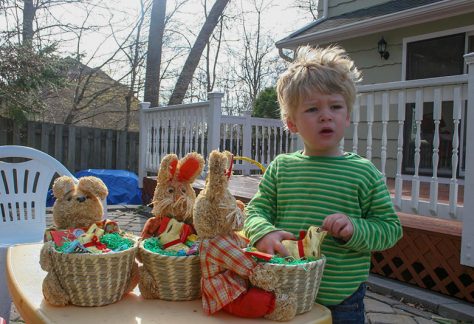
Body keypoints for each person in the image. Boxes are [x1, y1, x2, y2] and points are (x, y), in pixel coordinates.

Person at [243, 45, 403, 324]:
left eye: (335, 106)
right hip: (284, 290)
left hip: (341, 299)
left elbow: (390, 229)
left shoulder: (364, 173)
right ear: (291, 123)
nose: (326, 115)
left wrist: (355, 227)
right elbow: (255, 212)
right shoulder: (282, 167)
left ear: (347, 116)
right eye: (313, 108)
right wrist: (263, 233)